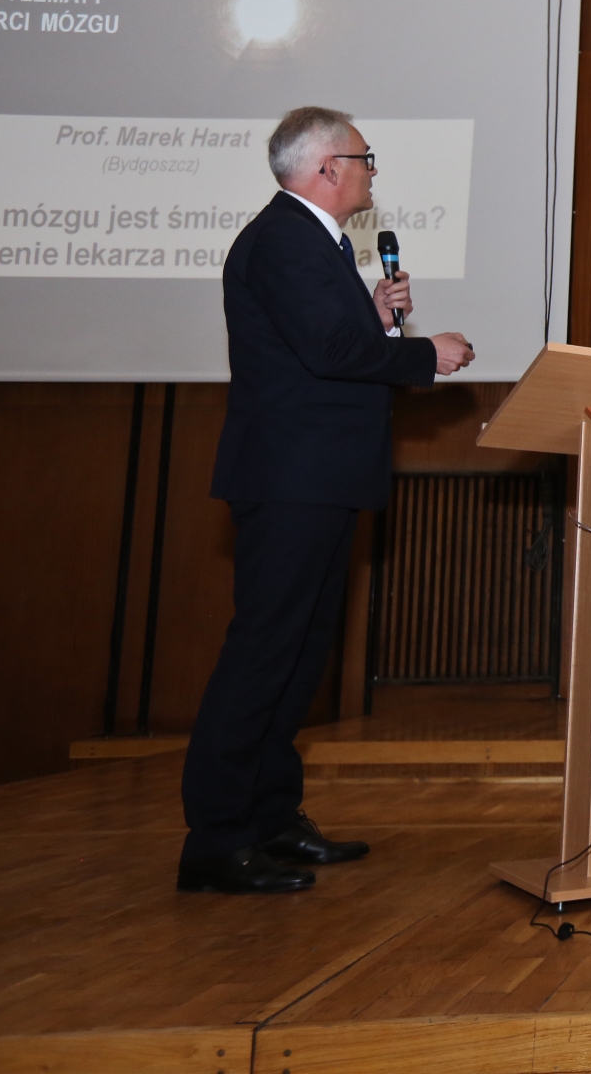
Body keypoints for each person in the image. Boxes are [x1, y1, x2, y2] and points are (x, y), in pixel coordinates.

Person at [177, 106, 475, 894]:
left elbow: (320, 343)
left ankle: (271, 819)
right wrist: (425, 353)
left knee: (299, 656)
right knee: (264, 653)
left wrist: (373, 318)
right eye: (365, 158)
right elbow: (327, 351)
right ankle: (216, 838)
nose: (373, 171)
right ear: (327, 168)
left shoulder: (316, 242)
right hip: (291, 480)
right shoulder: (284, 238)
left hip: (318, 478)